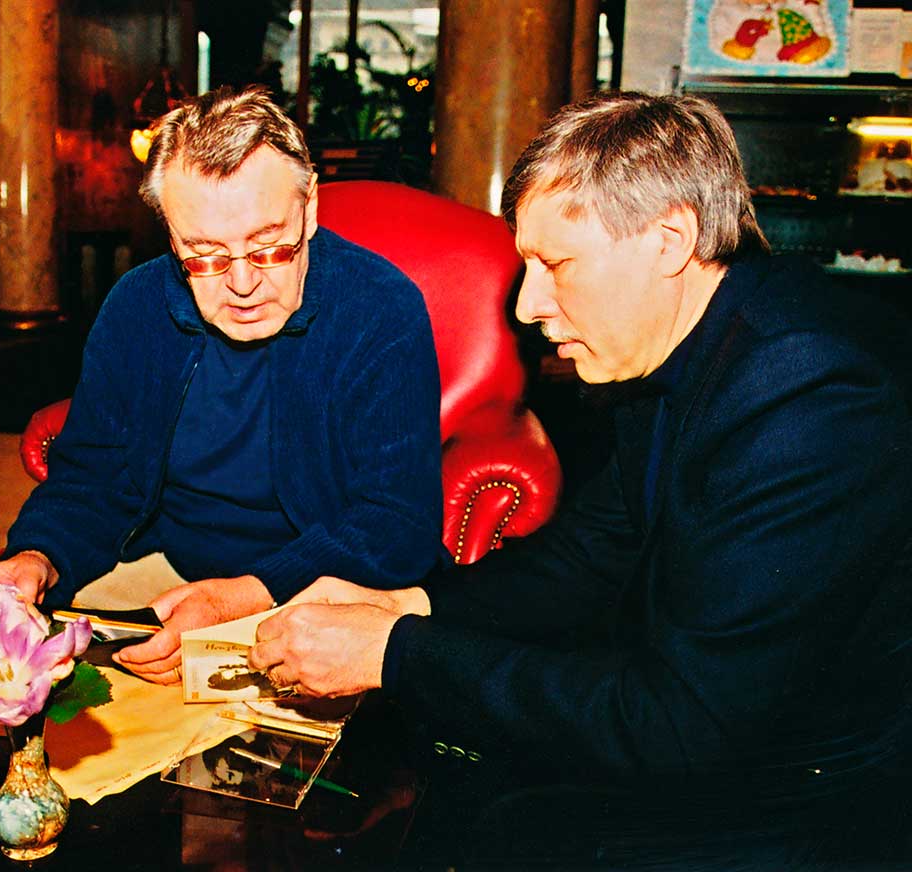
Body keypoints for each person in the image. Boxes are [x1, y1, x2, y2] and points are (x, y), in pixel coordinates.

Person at [248, 91, 912, 849]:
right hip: (714, 746)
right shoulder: (687, 341)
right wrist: (406, 605)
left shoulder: (812, 396)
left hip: (820, 807)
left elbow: (684, 724)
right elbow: (586, 558)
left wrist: (391, 653)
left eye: (555, 263)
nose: (527, 304)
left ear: (669, 239)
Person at [0, 86, 444, 685]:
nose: (242, 283)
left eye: (269, 246)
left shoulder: (380, 309)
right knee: (29, 682)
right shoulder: (136, 306)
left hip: (328, 583)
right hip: (170, 571)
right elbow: (91, 481)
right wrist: (37, 557)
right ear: (170, 235)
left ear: (310, 208)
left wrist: (241, 597)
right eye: (206, 254)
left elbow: (397, 523)